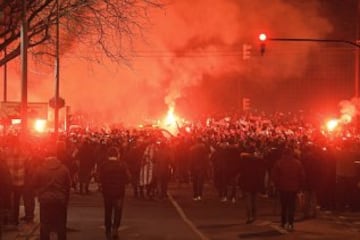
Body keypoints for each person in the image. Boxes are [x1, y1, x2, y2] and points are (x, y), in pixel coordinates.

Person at [32, 141, 71, 240]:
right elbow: (68, 185)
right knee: (61, 224)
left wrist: (40, 194)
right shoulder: (63, 169)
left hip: (45, 200)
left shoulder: (40, 169)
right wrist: (66, 199)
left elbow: (34, 184)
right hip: (60, 200)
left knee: (45, 224)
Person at [272, 147, 305, 232]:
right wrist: (300, 186)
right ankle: (290, 223)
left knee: (284, 206)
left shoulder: (279, 163)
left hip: (282, 187)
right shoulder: (297, 163)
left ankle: (283, 222)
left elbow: (275, 176)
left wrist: (276, 184)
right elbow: (301, 176)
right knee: (291, 206)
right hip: (293, 187)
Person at [99, 146, 129, 240]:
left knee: (108, 211)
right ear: (118, 155)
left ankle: (108, 229)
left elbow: (99, 177)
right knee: (118, 212)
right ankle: (115, 228)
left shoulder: (104, 165)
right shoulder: (122, 165)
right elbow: (128, 178)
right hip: (119, 192)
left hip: (107, 192)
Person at [239, 146, 266, 224]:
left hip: (247, 181)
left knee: (248, 200)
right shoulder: (258, 161)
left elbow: (242, 172)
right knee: (255, 200)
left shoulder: (244, 161)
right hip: (256, 181)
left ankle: (249, 216)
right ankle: (254, 216)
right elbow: (261, 172)